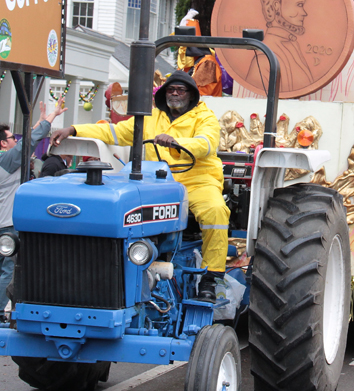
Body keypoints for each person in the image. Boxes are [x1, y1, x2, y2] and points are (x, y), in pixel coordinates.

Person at [51, 71, 230, 301]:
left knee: (215, 211)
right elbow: (112, 132)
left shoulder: (205, 118)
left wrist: (177, 143)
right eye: (171, 89)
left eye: (181, 90)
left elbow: (206, 143)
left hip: (198, 180)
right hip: (157, 181)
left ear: (192, 95)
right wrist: (74, 130)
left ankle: (211, 278)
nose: (175, 93)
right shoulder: (151, 119)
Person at [0, 99, 66, 326]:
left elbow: (25, 143)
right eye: (12, 138)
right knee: (9, 271)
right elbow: (31, 141)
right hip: (9, 225)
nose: (16, 140)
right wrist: (52, 117)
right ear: (3, 144)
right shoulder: (6, 160)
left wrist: (40, 118)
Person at [244, 0, 316, 92]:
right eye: (299, 5)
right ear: (276, 6)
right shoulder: (264, 60)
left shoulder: (292, 45)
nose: (304, 13)